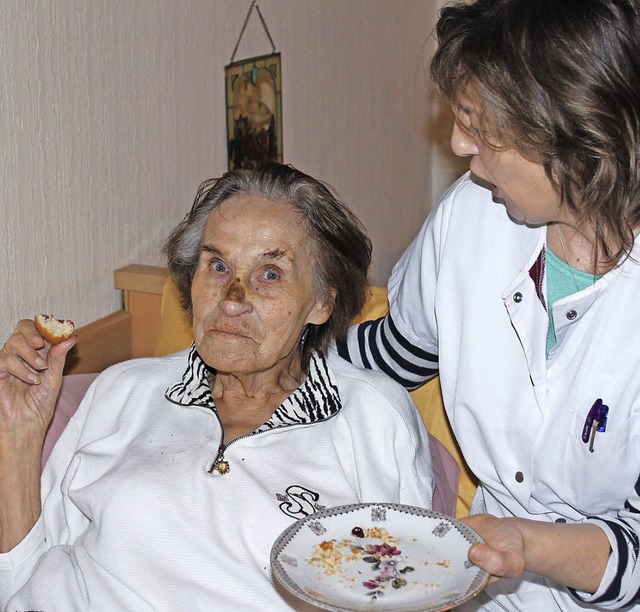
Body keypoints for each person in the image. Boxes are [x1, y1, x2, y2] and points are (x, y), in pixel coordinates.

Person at [0, 163, 435, 610]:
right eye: (218, 265)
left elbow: (410, 592)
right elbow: (22, 581)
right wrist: (16, 437)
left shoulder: (373, 417)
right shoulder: (123, 390)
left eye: (270, 274)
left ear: (322, 300)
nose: (232, 298)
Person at [338, 0, 640, 609]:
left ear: (577, 138)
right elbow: (396, 354)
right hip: (491, 583)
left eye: (482, 126)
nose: (457, 142)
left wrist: (527, 544)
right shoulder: (471, 214)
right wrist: (268, 352)